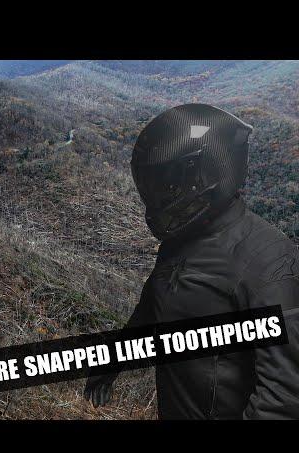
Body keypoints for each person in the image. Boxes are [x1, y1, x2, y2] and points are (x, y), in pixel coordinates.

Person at [84, 104, 299, 419]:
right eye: (156, 186)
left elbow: (285, 396)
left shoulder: (268, 261)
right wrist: (111, 364)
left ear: (209, 172)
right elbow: (151, 312)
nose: (160, 197)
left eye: (169, 185)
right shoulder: (178, 244)